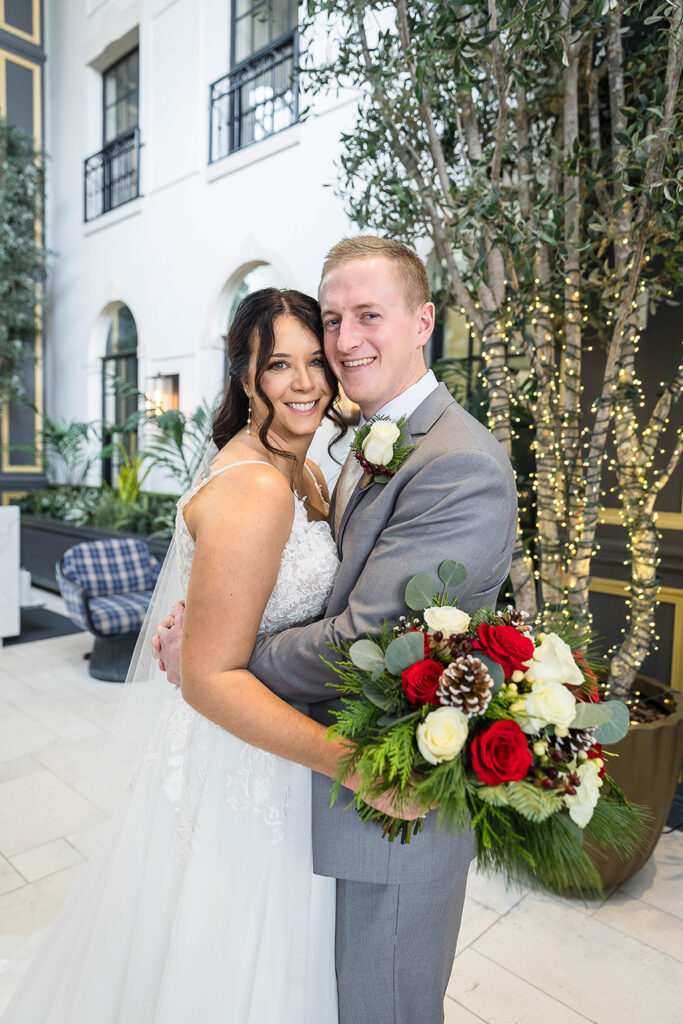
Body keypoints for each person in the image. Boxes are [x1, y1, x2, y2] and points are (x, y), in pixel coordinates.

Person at [3, 287, 411, 1024]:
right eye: (279, 365)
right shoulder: (257, 484)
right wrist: (353, 766)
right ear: (245, 376)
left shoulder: (299, 466)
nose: (306, 383)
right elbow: (209, 680)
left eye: (316, 362)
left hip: (270, 742)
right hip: (248, 762)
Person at [156, 236, 519, 1024]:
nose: (343, 343)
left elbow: (363, 638)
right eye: (332, 321)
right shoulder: (346, 447)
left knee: (381, 1003)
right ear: (245, 375)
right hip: (313, 773)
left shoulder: (455, 461)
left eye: (368, 316)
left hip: (389, 799)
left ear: (422, 321)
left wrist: (219, 655)